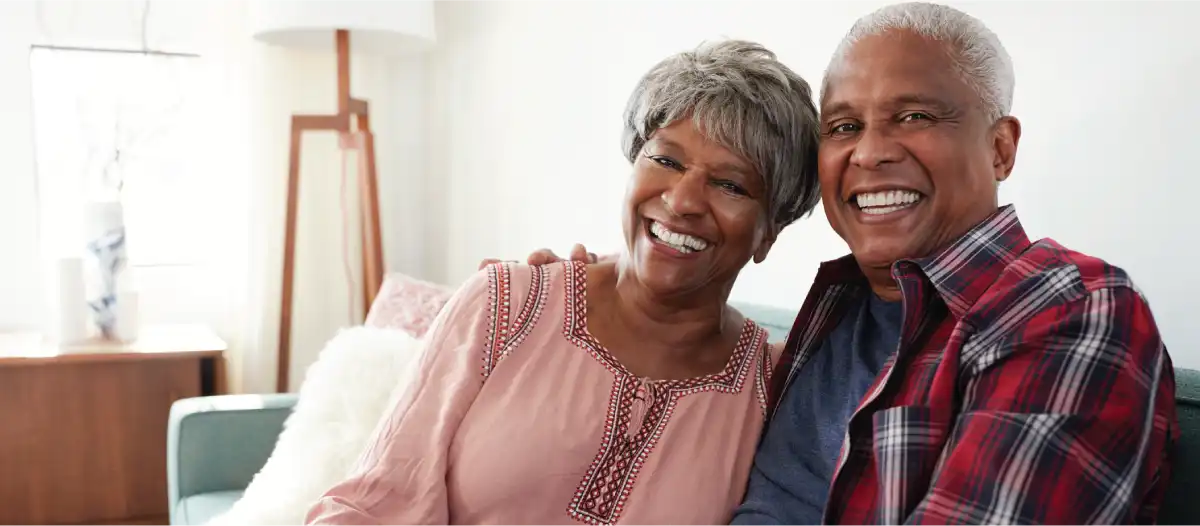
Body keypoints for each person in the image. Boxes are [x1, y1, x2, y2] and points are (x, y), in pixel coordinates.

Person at [520, 3, 1179, 524]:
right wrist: (591, 301)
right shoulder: (831, 316)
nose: (869, 153)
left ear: (1001, 147)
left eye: (914, 115)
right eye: (841, 126)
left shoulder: (1070, 311)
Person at [305, 39, 823, 525]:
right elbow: (380, 503)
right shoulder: (505, 304)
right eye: (666, 159)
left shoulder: (773, 390)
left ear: (768, 232)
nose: (683, 200)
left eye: (730, 184)